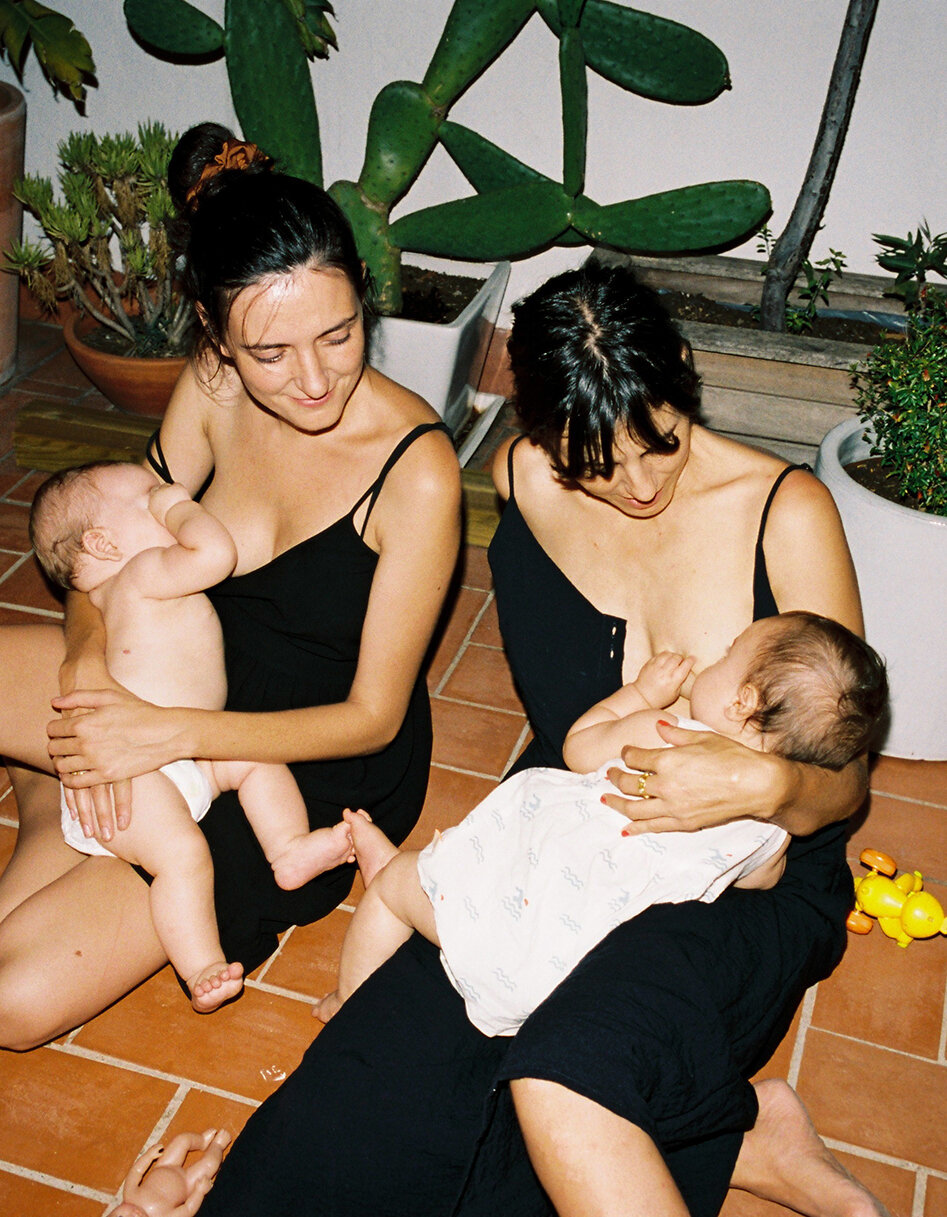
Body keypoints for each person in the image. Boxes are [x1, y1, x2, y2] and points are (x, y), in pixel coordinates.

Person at [143, 260, 888, 1217]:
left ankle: (731, 1134)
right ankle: (735, 1139)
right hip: (560, 856)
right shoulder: (526, 481)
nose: (632, 484)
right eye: (592, 461)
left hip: (730, 884)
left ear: (682, 378)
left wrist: (756, 790)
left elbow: (841, 786)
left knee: (565, 1081)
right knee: (343, 1126)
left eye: (654, 444)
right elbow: (560, 738)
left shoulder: (786, 513)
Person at [0, 121, 460, 1050]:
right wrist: (92, 669)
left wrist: (162, 735)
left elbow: (372, 715)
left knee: (11, 1000)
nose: (314, 377)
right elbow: (107, 553)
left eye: (338, 334)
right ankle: (66, 803)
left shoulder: (417, 469)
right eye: (270, 353)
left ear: (366, 298)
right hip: (166, 662)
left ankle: (59, 807)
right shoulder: (209, 387)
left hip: (288, 754)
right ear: (212, 336)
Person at [314, 611, 886, 1035]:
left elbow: (579, 747)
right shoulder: (768, 825)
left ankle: (348, 1003)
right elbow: (761, 880)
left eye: (726, 655)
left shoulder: (664, 731)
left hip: (511, 919)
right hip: (570, 987)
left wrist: (638, 695)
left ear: (741, 702)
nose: (709, 663)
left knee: (396, 888)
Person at [30, 461, 368, 1012]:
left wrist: (156, 505)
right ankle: (201, 964)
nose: (166, 493)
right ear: (102, 543)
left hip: (178, 753)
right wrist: (178, 508)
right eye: (148, 498)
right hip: (134, 773)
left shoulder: (119, 586)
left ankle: (287, 850)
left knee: (256, 761)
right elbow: (217, 554)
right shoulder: (139, 575)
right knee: (185, 855)